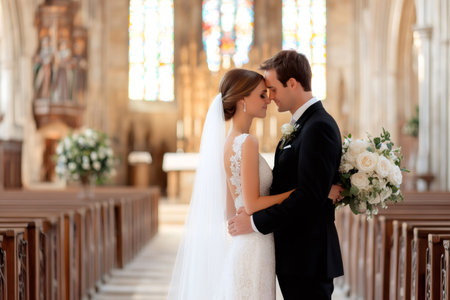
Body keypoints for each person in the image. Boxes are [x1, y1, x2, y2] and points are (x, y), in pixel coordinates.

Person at [168, 67, 343, 299]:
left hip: (245, 244)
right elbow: (251, 205)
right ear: (243, 100)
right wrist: (307, 191)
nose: (268, 100)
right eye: (262, 95)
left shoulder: (227, 143)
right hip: (256, 245)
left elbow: (232, 211)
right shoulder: (247, 142)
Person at [228, 50, 344, 299]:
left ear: (292, 83)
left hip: (308, 255)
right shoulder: (300, 125)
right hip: (295, 254)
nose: (270, 97)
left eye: (272, 88)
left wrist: (254, 222)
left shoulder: (318, 126)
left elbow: (309, 197)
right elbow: (297, 187)